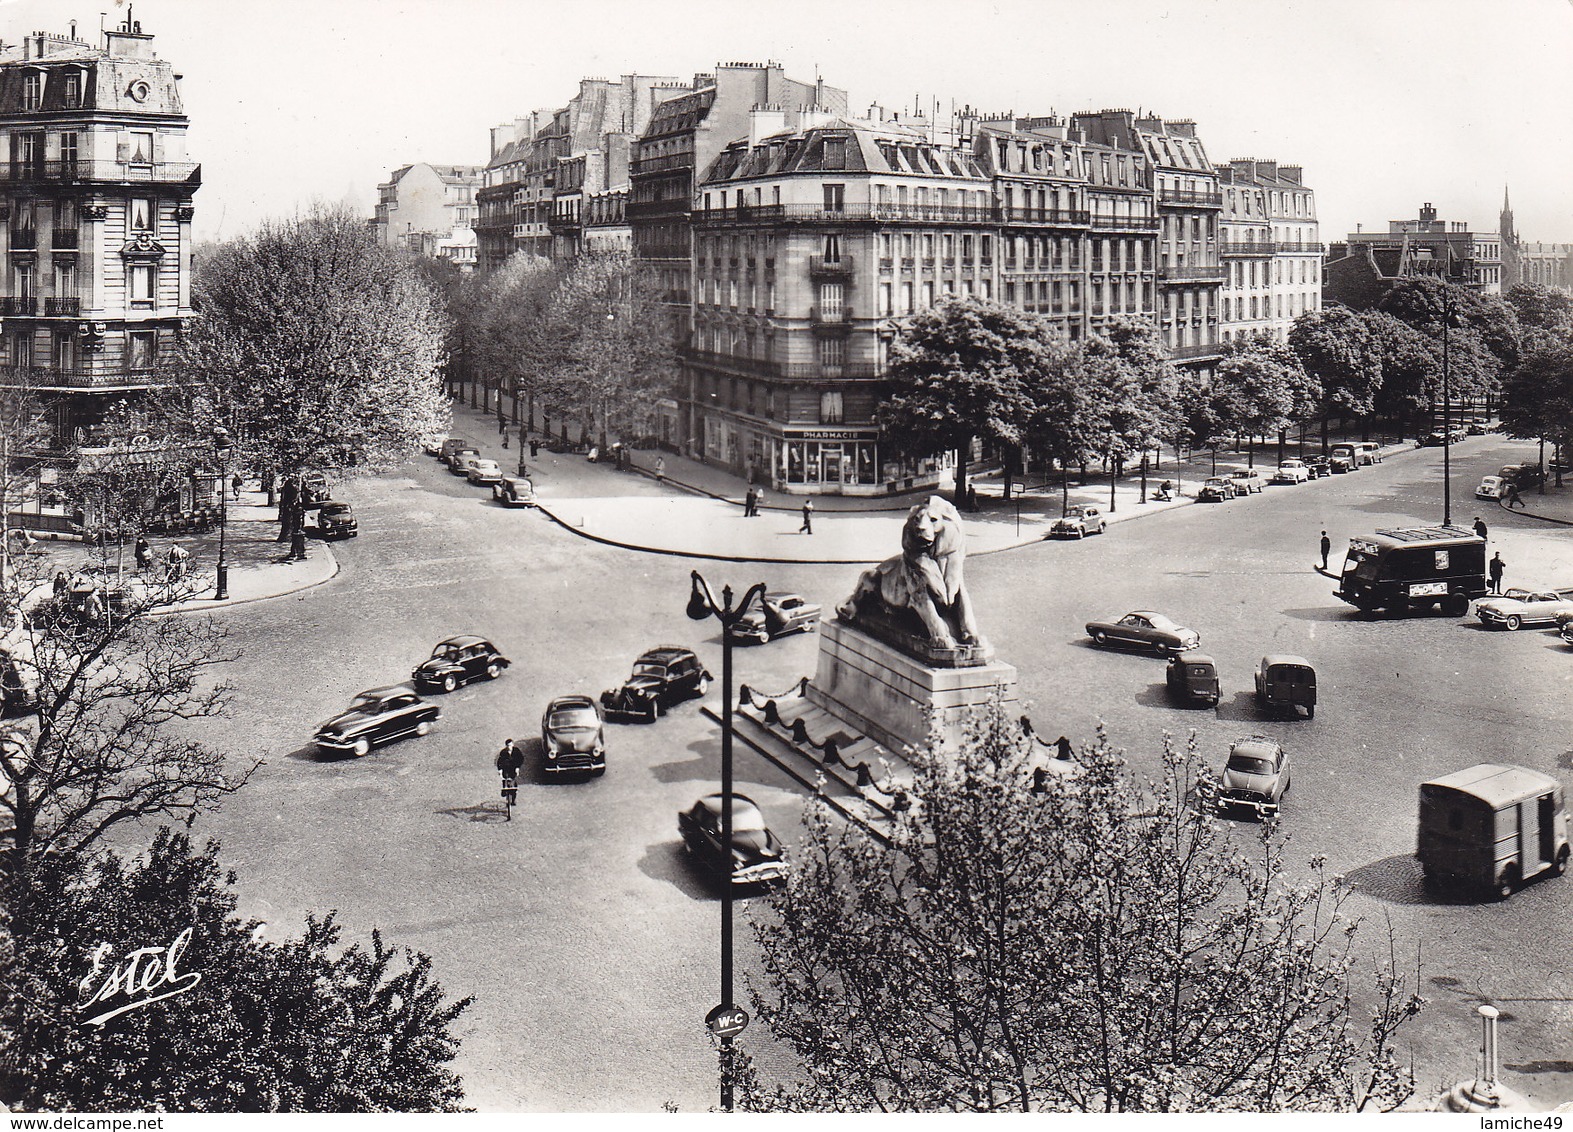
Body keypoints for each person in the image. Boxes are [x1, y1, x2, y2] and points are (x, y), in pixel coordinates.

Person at [496, 739, 523, 817]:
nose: (509, 747)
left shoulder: (516, 751)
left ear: (513, 745)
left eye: (510, 745)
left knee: (513, 785)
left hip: (513, 769)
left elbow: (521, 759)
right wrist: (500, 770)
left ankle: (513, 800)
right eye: (508, 746)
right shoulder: (503, 752)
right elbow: (499, 761)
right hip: (506, 769)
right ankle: (504, 790)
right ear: (506, 746)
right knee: (505, 780)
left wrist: (518, 767)